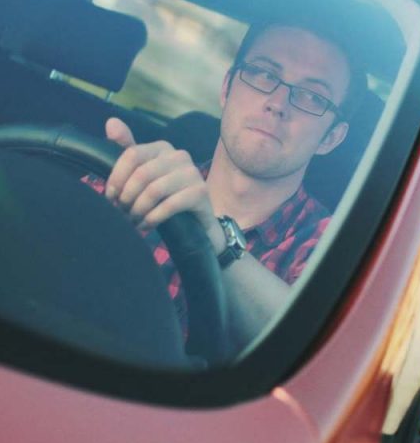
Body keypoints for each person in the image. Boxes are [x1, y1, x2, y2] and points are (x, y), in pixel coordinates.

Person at [91, 22, 362, 349]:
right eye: (264, 74)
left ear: (331, 137)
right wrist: (102, 210)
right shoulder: (137, 178)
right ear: (226, 88)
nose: (277, 103)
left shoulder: (336, 249)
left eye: (312, 96)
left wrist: (217, 243)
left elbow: (314, 354)